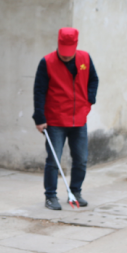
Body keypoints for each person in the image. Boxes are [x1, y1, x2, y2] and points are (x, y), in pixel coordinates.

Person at [33, 27, 99, 210]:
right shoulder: (46, 62)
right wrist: (39, 118)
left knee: (81, 159)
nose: (67, 57)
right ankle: (50, 196)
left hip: (79, 119)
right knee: (54, 160)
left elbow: (94, 79)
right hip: (55, 120)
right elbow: (39, 91)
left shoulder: (85, 58)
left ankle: (75, 192)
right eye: (64, 54)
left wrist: (89, 100)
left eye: (70, 55)